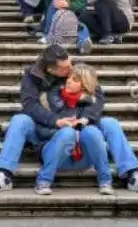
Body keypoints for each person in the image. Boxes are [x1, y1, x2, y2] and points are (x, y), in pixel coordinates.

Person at [0, 45, 138, 194]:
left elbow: (97, 95)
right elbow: (29, 105)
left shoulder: (72, 68)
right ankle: (4, 175)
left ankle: (132, 174)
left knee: (110, 123)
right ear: (51, 70)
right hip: (47, 130)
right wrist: (56, 121)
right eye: (66, 69)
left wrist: (86, 119)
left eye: (70, 63)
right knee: (20, 120)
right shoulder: (32, 76)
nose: (71, 69)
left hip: (82, 129)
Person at [34, 63, 113, 194]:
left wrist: (81, 125)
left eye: (74, 79)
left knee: (92, 131)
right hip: (55, 156)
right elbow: (41, 132)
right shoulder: (51, 100)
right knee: (67, 133)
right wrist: (62, 126)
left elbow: (97, 139)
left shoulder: (91, 107)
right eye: (69, 77)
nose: (68, 81)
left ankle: (105, 181)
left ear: (84, 85)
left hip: (83, 158)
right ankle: (43, 181)